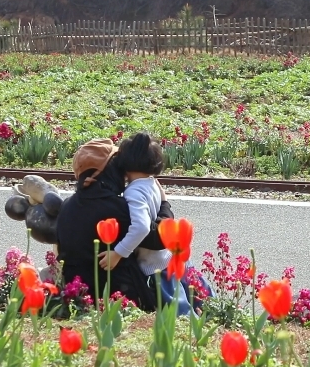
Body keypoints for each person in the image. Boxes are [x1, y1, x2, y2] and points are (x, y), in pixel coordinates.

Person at [96, 133, 213, 316]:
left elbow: (142, 227)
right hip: (173, 258)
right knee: (204, 302)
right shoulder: (153, 184)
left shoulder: (133, 193)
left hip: (156, 267)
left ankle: (196, 337)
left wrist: (118, 253)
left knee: (181, 314)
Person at [55, 138, 174, 312]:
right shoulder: (120, 208)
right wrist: (164, 204)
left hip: (76, 297)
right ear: (112, 170)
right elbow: (161, 238)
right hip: (120, 300)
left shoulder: (66, 206)